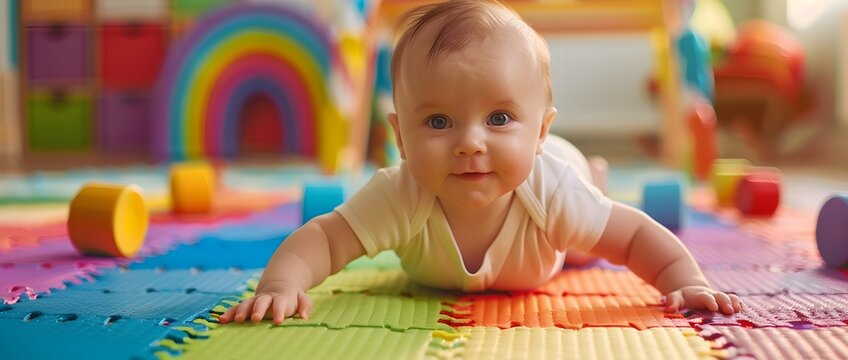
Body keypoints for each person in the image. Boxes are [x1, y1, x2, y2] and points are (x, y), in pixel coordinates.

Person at [219, 0, 742, 325]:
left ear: (539, 128)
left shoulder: (551, 189)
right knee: (581, 233)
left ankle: (593, 174)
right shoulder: (402, 192)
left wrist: (682, 277)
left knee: (586, 242)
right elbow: (328, 240)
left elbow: (631, 238)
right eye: (439, 123)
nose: (470, 144)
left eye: (498, 118)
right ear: (400, 136)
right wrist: (280, 285)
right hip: (538, 197)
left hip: (558, 177)